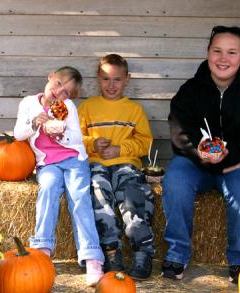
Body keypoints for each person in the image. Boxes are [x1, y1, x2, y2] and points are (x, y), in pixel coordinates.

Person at [162, 26, 240, 283]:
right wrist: (202, 157)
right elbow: (178, 131)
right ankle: (177, 254)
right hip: (196, 161)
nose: (223, 58)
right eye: (217, 51)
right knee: (175, 182)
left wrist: (229, 156)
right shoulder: (190, 90)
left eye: (231, 52)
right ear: (208, 53)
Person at [13, 66, 105, 287]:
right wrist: (35, 123)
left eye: (67, 92)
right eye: (59, 84)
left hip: (74, 159)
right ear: (51, 76)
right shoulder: (28, 104)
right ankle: (42, 249)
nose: (60, 93)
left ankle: (91, 256)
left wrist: (61, 132)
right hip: (47, 162)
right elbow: (18, 134)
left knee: (79, 197)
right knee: (48, 190)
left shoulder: (68, 107)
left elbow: (76, 139)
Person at [78, 54, 155, 280]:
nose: (111, 85)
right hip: (96, 164)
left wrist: (121, 149)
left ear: (127, 79)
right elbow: (74, 138)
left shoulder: (134, 110)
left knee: (133, 195)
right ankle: (111, 252)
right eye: (105, 79)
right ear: (97, 78)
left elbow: (145, 142)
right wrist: (92, 143)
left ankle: (142, 252)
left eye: (117, 80)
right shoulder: (87, 107)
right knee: (99, 193)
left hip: (126, 165)